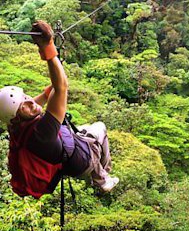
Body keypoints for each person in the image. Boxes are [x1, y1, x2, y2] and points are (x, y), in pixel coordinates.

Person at [0, 20, 119, 198]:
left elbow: (49, 93)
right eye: (24, 105)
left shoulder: (17, 125)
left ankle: (100, 175)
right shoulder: (42, 133)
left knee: (87, 127)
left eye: (26, 97)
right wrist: (48, 47)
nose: (31, 103)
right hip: (83, 161)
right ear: (16, 117)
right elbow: (61, 88)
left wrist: (55, 66)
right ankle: (101, 176)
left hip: (70, 155)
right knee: (100, 127)